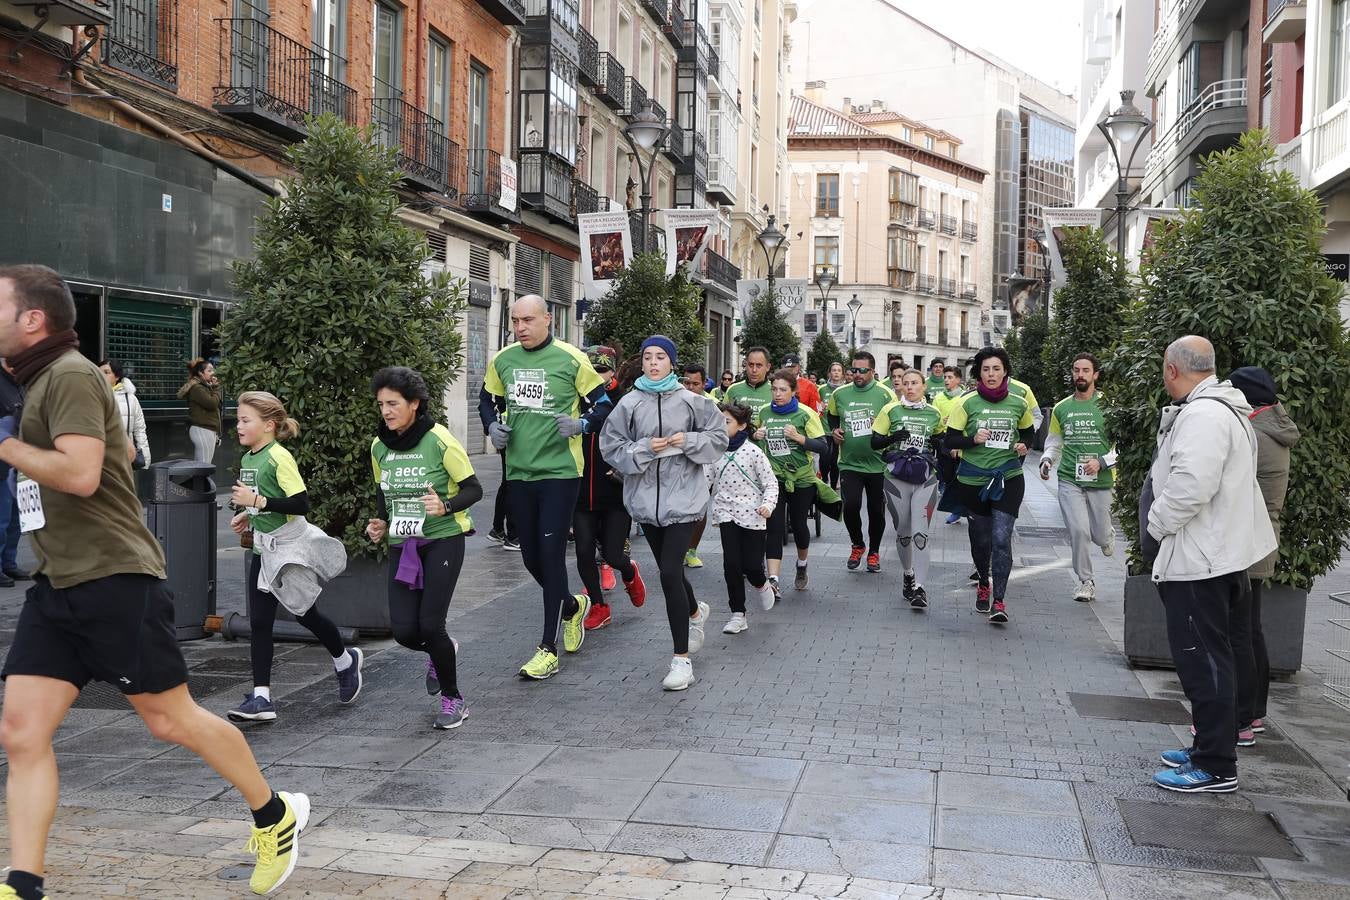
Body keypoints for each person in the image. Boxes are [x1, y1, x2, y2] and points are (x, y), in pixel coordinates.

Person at [0, 265, 307, 897]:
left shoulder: (72, 377)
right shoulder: (33, 381)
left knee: (171, 721)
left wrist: (4, 446)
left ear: (32, 319)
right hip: (58, 584)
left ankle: (275, 816)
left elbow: (81, 475)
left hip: (115, 577)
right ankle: (22, 884)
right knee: (21, 732)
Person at [1147, 337, 1274, 793]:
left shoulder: (1203, 414)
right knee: (1213, 658)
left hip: (1201, 559)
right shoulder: (1223, 409)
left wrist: (1155, 524)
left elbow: (1190, 486)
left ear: (1172, 369)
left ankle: (1216, 764)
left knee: (1204, 662)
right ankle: (1210, 747)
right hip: (1216, 554)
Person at [480, 296, 611, 680]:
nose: (520, 327)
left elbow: (602, 405)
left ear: (548, 319)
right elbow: (488, 400)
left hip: (560, 472)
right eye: (515, 320)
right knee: (531, 558)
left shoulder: (571, 359)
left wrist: (582, 425)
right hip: (519, 472)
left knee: (551, 556)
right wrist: (491, 426)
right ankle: (572, 605)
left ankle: (546, 648)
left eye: (528, 320)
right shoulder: (502, 359)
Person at [600, 336, 728, 690]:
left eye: (661, 357)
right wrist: (643, 449)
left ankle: (681, 660)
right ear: (641, 363)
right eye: (648, 357)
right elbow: (610, 447)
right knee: (669, 573)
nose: (654, 362)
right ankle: (694, 611)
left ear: (672, 363)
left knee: (670, 571)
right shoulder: (628, 404)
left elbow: (718, 440)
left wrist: (686, 441)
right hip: (645, 504)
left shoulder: (693, 402)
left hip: (684, 502)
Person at [226, 391, 361, 723]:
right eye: (238, 420)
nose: (239, 426)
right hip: (263, 549)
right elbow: (260, 501)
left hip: (289, 550)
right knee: (259, 622)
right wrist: (248, 514)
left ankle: (345, 660)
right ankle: (262, 699)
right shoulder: (248, 459)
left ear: (269, 425)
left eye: (246, 420)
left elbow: (300, 503)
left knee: (305, 615)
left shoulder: (278, 457)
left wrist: (256, 503)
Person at [368, 366, 482, 728]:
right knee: (404, 631)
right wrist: (380, 522)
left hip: (442, 539)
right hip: (403, 541)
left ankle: (453, 700)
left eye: (394, 404)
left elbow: (474, 489)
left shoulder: (440, 440)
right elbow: (382, 492)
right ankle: (442, 651)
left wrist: (445, 505)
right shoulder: (379, 446)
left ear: (414, 404)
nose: (386, 411)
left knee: (431, 625)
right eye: (381, 404)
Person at [1228, 366, 1298, 739]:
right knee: (1250, 630)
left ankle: (1240, 721)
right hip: (1260, 539)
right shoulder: (1274, 426)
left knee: (1239, 632)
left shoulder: (1256, 434)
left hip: (1247, 541)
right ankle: (1254, 711)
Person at [944, 346, 1034, 624]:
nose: (991, 374)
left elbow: (1029, 432)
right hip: (973, 479)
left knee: (1000, 538)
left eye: (996, 368)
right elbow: (950, 440)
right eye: (986, 369)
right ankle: (984, 579)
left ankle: (999, 600)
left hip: (1008, 477)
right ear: (979, 373)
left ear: (1005, 371)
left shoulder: (1018, 402)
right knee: (981, 540)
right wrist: (973, 440)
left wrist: (1023, 445)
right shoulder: (966, 403)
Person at [576, 349, 647, 631]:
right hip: (580, 490)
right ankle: (599, 606)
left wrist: (624, 468)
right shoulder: (575, 399)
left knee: (613, 555)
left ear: (612, 372)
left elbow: (640, 441)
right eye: (591, 372)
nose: (597, 377)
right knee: (583, 552)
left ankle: (630, 572)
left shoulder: (625, 403)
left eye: (602, 371)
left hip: (614, 492)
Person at [1039, 354, 1117, 603]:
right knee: (1079, 531)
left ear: (1095, 375)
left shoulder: (1110, 405)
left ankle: (1107, 536)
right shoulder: (1062, 408)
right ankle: (1086, 581)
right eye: (1076, 370)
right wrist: (1047, 460)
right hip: (1069, 478)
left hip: (1102, 480)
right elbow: (1054, 442)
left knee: (1100, 535)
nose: (1080, 374)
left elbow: (1125, 444)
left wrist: (1103, 462)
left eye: (1086, 370)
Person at [755, 369, 828, 596]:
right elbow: (754, 439)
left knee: (798, 525)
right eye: (774, 389)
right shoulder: (765, 412)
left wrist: (798, 438)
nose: (777, 394)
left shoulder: (805, 413)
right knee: (774, 527)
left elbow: (823, 446)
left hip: (801, 477)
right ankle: (774, 580)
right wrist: (754, 435)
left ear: (793, 391)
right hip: (774, 477)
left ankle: (802, 564)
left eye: (783, 390)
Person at [872, 369, 941, 609]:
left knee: (920, 534)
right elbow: (874, 443)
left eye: (915, 383)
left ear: (924, 386)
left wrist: (939, 445)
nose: (910, 387)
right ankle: (908, 573)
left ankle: (920, 588)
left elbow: (941, 441)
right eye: (906, 383)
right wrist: (893, 438)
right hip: (896, 478)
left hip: (925, 478)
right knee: (903, 532)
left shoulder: (934, 413)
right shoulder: (890, 410)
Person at [711, 401, 778, 634]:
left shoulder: (753, 452)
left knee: (752, 567)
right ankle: (738, 614)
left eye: (726, 421)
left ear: (741, 426)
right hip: (726, 511)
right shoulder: (715, 451)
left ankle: (762, 584)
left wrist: (768, 505)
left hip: (753, 514)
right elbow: (705, 481)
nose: (721, 425)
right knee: (731, 563)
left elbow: (770, 483)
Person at [827, 351, 896, 573]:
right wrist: (834, 431)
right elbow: (832, 416)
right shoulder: (840, 394)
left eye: (862, 370)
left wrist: (882, 426)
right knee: (851, 506)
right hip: (849, 463)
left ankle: (874, 552)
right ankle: (858, 544)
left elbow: (895, 424)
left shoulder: (886, 395)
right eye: (853, 370)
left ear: (873, 371)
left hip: (878, 465)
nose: (857, 374)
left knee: (876, 511)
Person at [680, 362, 712, 569]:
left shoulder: (712, 405)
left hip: (703, 463)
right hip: (676, 462)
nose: (690, 387)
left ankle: (691, 550)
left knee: (700, 507)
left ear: (704, 384)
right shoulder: (672, 401)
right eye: (686, 382)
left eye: (695, 383)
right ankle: (676, 549)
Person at [0, 364, 27, 589]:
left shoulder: (20, 383)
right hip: (3, 462)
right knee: (1, 520)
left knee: (16, 521)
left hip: (20, 462)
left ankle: (9, 562)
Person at [99, 359, 150, 471]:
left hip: (124, 457)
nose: (101, 376)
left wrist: (145, 459)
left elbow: (140, 430)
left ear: (117, 376)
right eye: (99, 372)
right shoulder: (92, 396)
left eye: (106, 372)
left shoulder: (130, 399)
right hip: (98, 458)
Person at [932, 365, 968, 525]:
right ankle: (956, 506)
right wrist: (942, 421)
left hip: (961, 440)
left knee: (960, 478)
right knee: (947, 476)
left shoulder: (966, 397)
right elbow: (935, 418)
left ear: (959, 380)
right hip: (943, 440)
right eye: (945, 377)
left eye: (950, 377)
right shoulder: (938, 398)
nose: (946, 380)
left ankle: (958, 510)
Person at [178, 357, 222, 464]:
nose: (213, 373)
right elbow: (212, 404)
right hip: (202, 429)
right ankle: (199, 481)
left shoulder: (205, 387)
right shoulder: (197, 388)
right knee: (203, 465)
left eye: (213, 370)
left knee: (203, 464)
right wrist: (216, 388)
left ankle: (200, 481)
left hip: (207, 430)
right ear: (200, 373)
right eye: (209, 370)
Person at [724, 347, 774, 427]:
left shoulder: (776, 391)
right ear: (746, 365)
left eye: (759, 365)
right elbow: (723, 419)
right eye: (751, 365)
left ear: (767, 367)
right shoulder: (733, 389)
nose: (754, 370)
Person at [817, 361, 845, 489]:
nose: (836, 373)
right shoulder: (821, 389)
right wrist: (819, 408)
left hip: (839, 431)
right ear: (829, 373)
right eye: (834, 370)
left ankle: (833, 487)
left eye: (839, 370)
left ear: (843, 374)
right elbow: (815, 408)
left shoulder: (846, 390)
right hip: (824, 429)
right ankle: (824, 481)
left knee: (835, 461)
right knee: (824, 460)